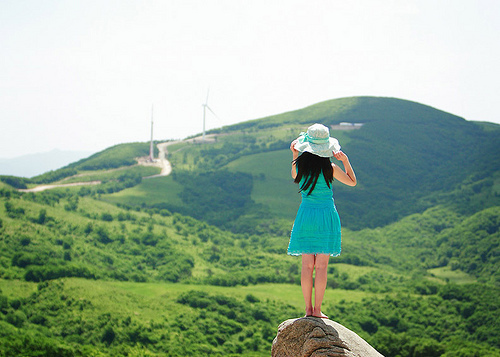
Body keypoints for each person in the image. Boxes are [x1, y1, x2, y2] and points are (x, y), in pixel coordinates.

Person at [288, 123, 357, 318]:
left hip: (306, 215)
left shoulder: (300, 166)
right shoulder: (331, 168)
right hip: (326, 216)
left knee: (307, 265)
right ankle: (318, 310)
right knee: (321, 267)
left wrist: (294, 155)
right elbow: (352, 182)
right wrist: (346, 160)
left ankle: (308, 309)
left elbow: (294, 175)